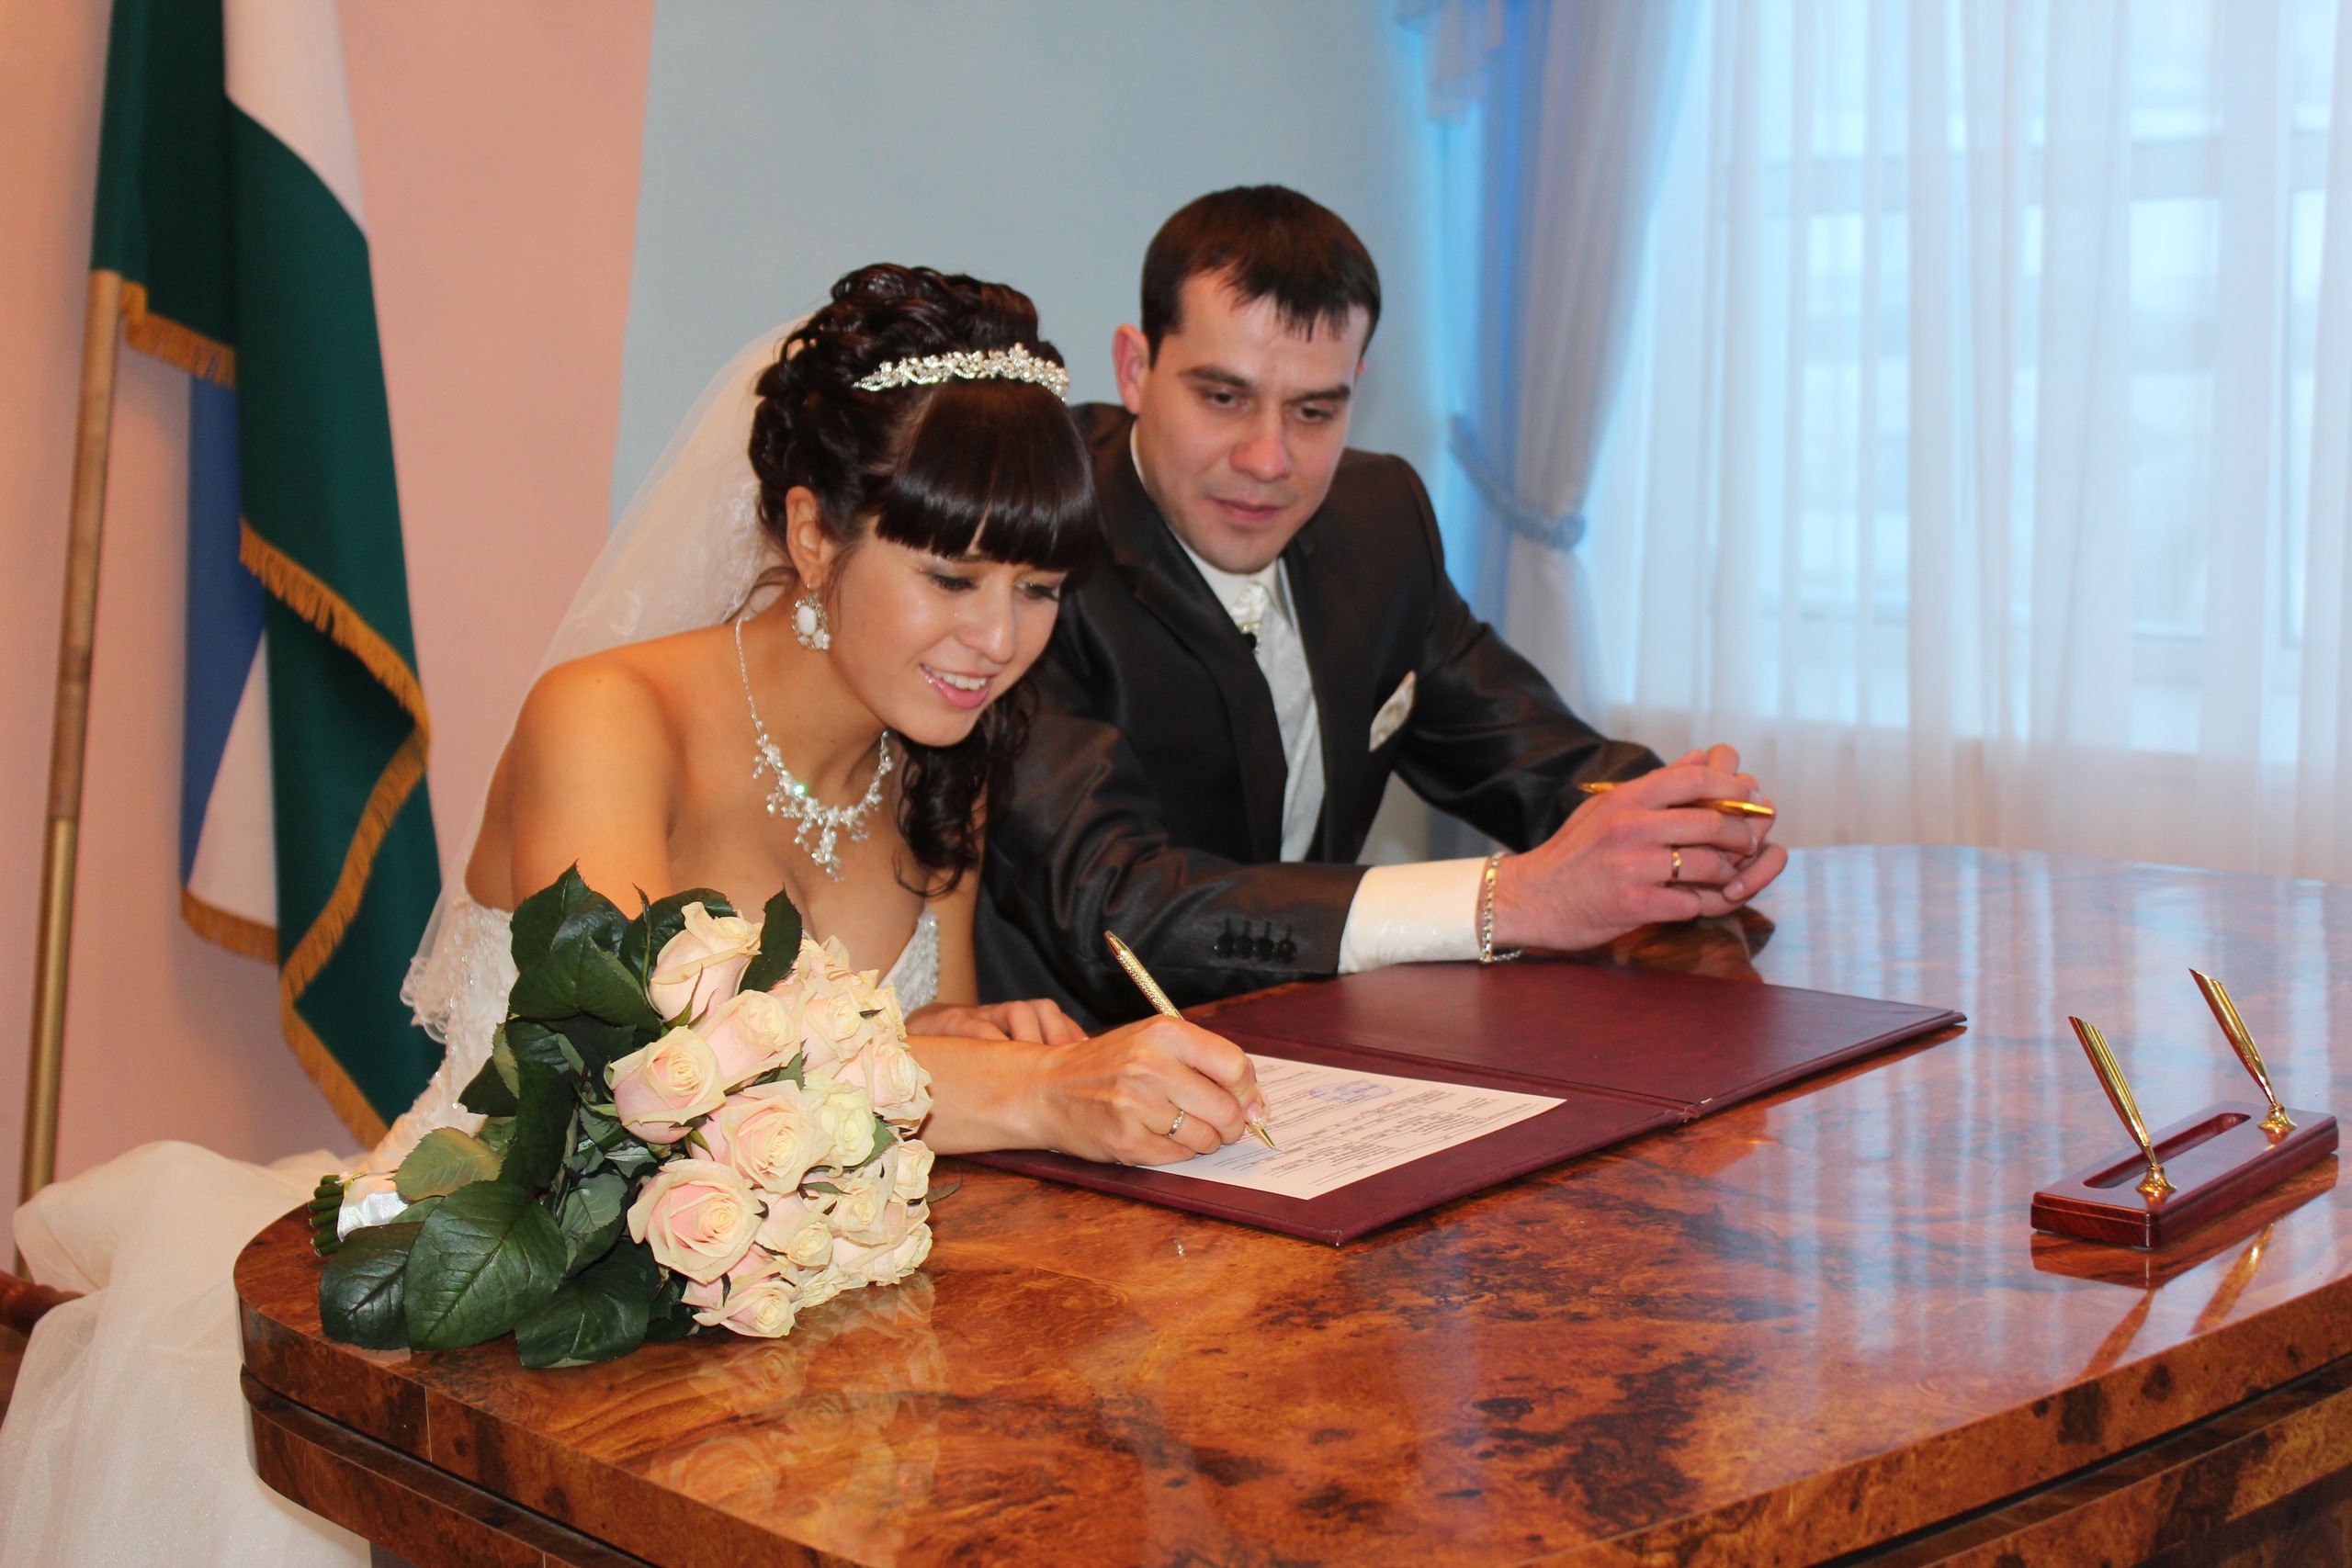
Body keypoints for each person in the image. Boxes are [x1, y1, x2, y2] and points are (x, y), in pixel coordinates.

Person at [0, 265, 1258, 1568]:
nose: (997, 640)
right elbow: (648, 1070)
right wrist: (1047, 1092)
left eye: (1039, 588)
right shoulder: (607, 719)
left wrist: (956, 1038)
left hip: (766, 1324)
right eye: (950, 576)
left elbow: (879, 1062)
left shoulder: (940, 762)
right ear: (813, 531)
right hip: (483, 1306)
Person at [978, 186, 1790, 1026]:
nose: (1268, 459)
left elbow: (1525, 751)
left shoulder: (1379, 517)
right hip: (1073, 1060)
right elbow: (1116, 903)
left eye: (1314, 411)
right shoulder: (1033, 546)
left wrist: (1671, 826)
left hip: (1321, 1047)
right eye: (1223, 398)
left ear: (1355, 389)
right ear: (1135, 369)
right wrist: (1502, 899)